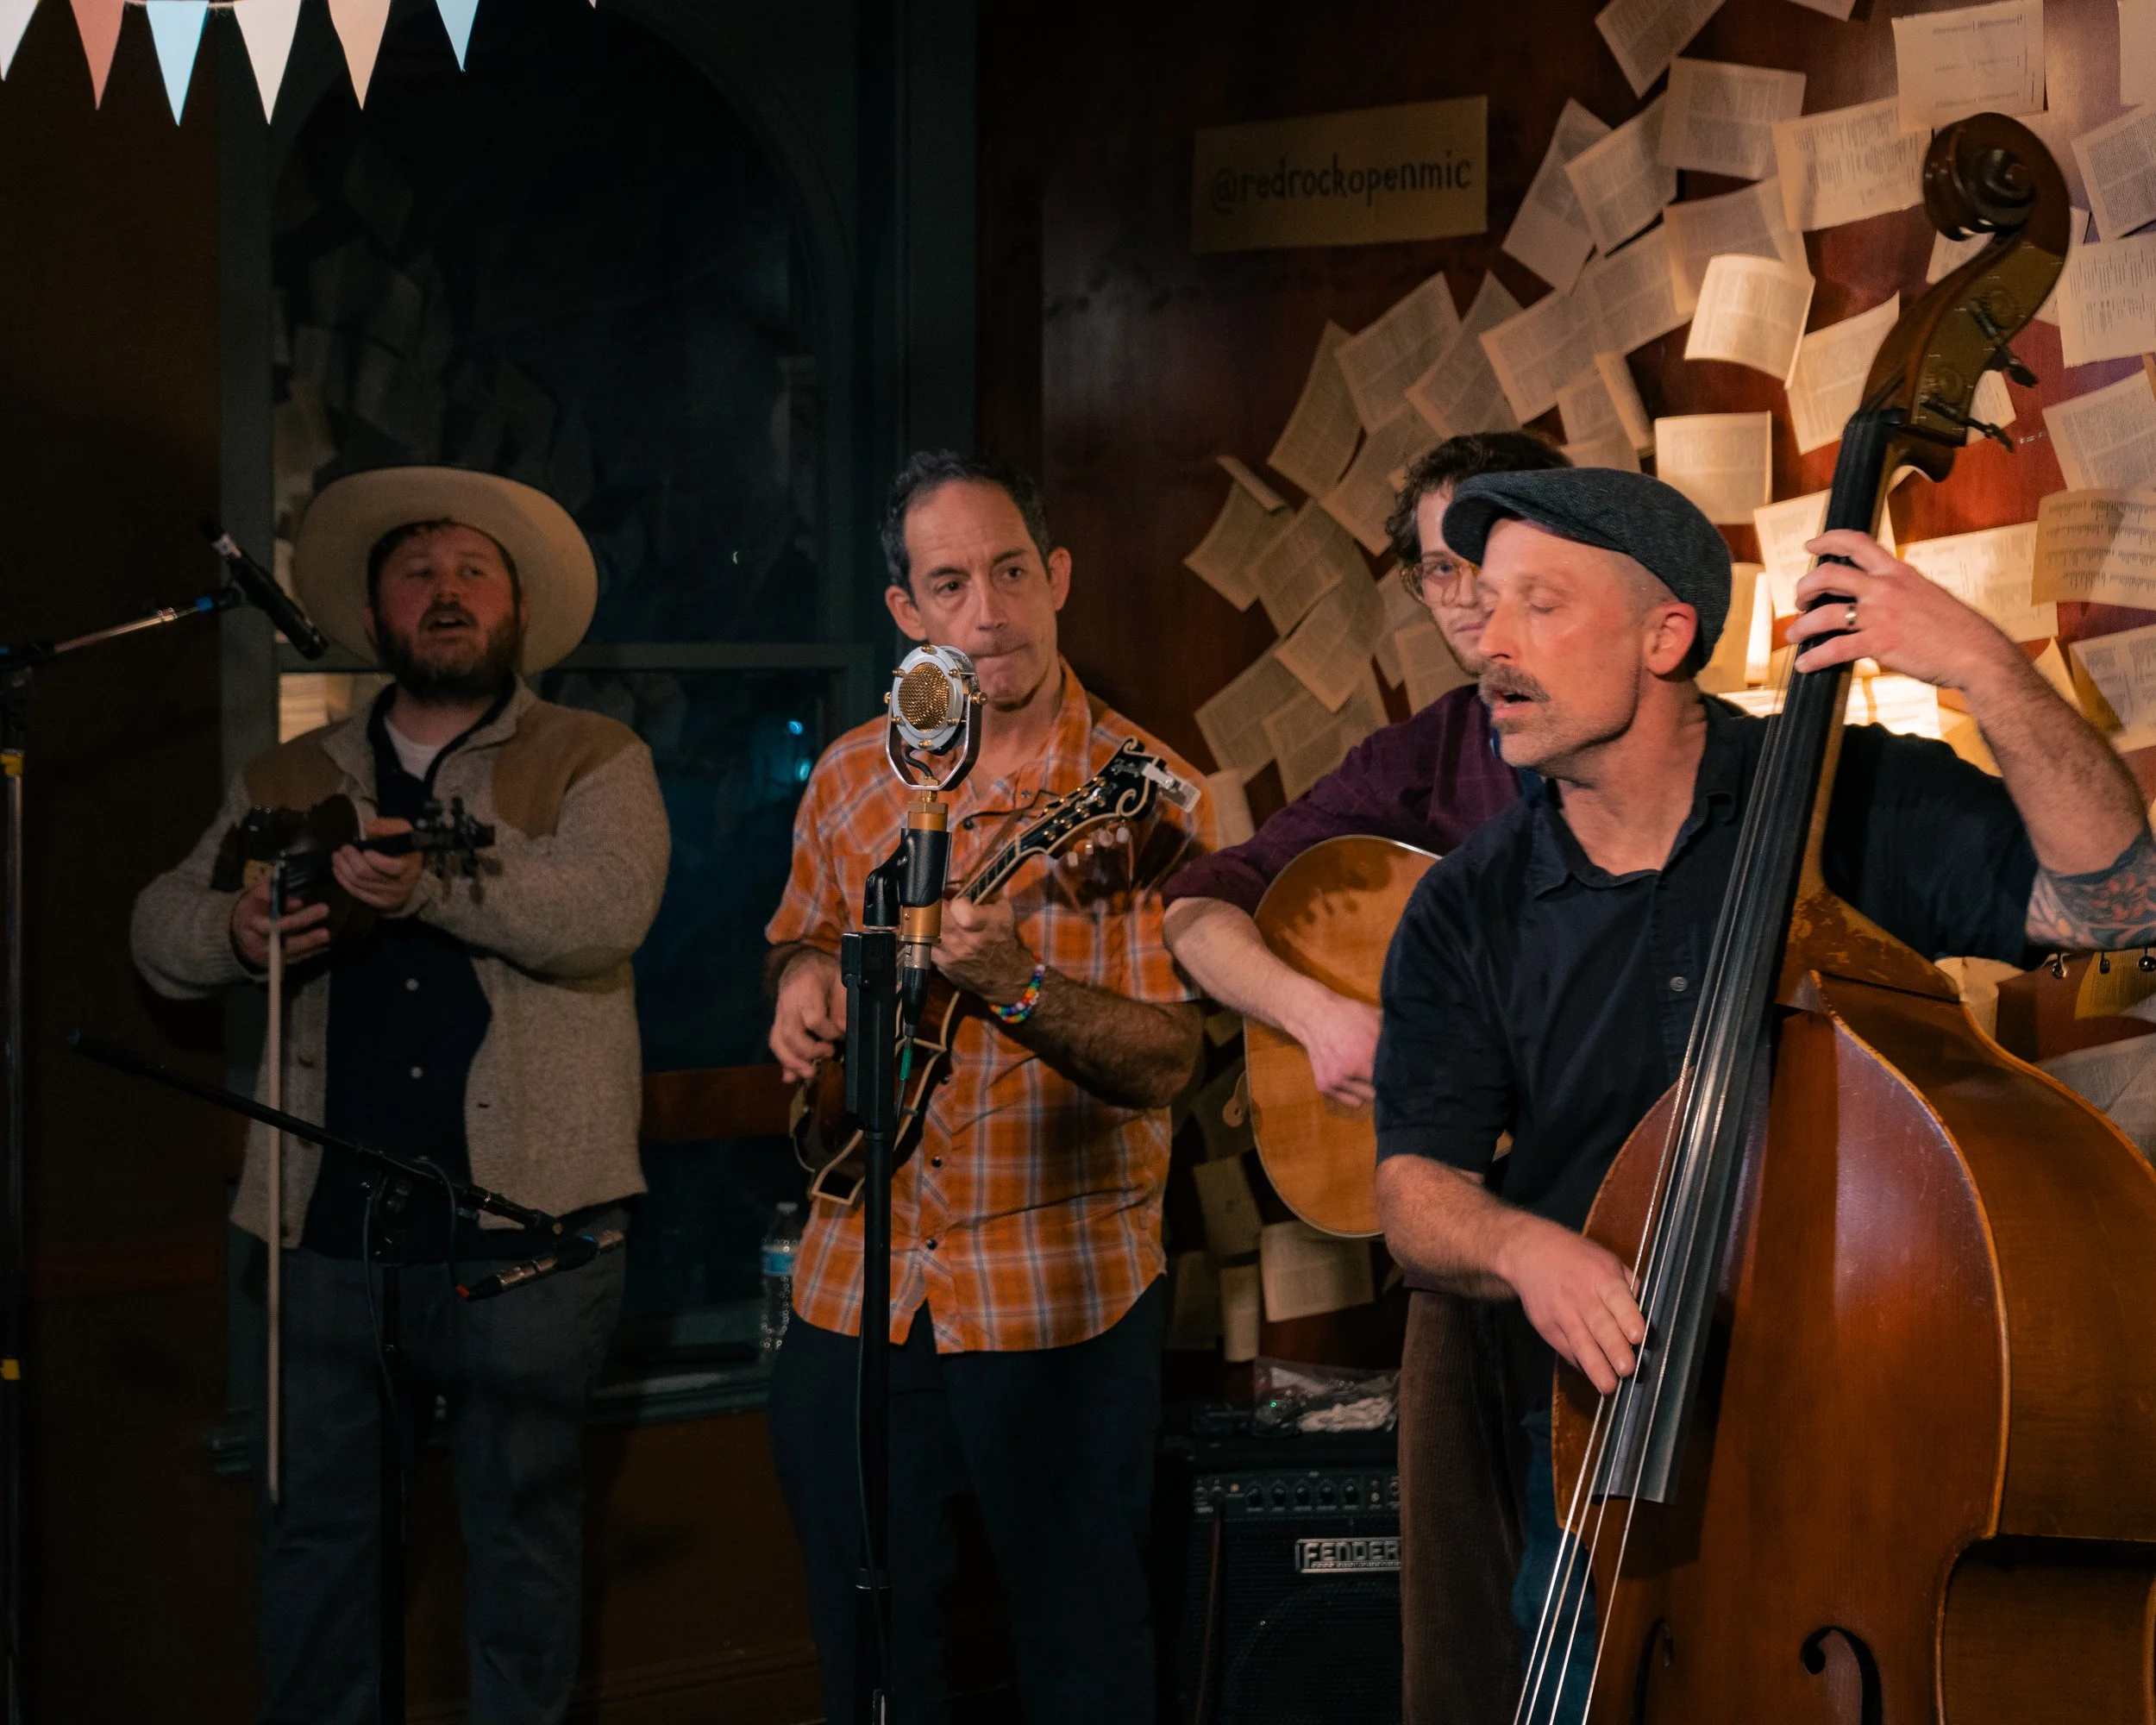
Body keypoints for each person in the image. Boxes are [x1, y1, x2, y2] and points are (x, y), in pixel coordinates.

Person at [1373, 466, 2156, 1722]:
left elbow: (2126, 918)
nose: (1489, 642)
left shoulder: (1844, 795)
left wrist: (1986, 668)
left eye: (1538, 605)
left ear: (1665, 634)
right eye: (1480, 603)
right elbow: (1416, 1193)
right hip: (1607, 1468)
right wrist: (1527, 1252)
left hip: (1861, 1457)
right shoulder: (1469, 904)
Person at [131, 467, 670, 1725]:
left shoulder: (598, 755)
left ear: (516, 609)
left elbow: (603, 914)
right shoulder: (287, 777)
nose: (446, 593)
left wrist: (427, 888)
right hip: (328, 1236)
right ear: (374, 618)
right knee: (318, 1551)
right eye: (416, 573)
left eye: (472, 572)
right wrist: (242, 927)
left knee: (524, 1553)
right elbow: (159, 927)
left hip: (530, 1234)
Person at [762, 450, 1214, 1724]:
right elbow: (799, 935)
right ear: (908, 613)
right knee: (874, 1656)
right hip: (858, 1295)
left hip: (1057, 1309)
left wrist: (1016, 984)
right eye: (949, 584)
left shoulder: (1152, 796)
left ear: (1057, 576)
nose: (988, 613)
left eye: (1012, 571)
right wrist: (799, 986)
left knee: (1082, 1663)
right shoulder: (857, 774)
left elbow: (1175, 1061)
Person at [1160, 430, 1569, 1722]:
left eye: (1482, 562)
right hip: (1458, 1239)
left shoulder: (1634, 746)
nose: (1460, 603)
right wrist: (1321, 1018)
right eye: (1433, 573)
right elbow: (1198, 904)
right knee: (1474, 1601)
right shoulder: (1421, 760)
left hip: (1619, 1216)